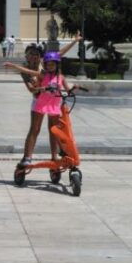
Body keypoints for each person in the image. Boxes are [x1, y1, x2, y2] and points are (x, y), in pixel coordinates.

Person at [10, 35, 82, 166]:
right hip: (39, 100)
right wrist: (41, 89)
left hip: (54, 101)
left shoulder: (46, 63)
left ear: (40, 56)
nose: (33, 57)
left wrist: (75, 41)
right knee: (35, 129)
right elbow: (31, 89)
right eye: (30, 54)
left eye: (36, 54)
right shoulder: (26, 71)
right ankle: (27, 157)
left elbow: (60, 53)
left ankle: (54, 156)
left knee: (53, 129)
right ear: (26, 55)